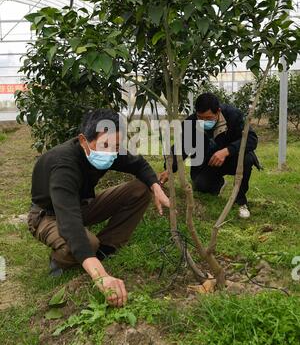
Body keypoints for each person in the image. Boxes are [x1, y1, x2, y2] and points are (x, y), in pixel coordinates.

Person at [28, 109, 170, 307]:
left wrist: (156, 187)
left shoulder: (109, 147)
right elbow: (69, 223)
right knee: (85, 242)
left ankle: (104, 249)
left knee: (139, 189)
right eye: (105, 145)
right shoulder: (63, 166)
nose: (111, 153)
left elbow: (138, 165)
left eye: (117, 147)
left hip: (82, 205)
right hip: (48, 215)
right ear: (84, 141)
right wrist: (101, 277)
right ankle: (61, 259)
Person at [159, 92, 260, 219]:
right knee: (201, 185)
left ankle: (240, 201)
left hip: (231, 158)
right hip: (208, 162)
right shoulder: (191, 123)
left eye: (208, 118)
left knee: (247, 158)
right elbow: (181, 147)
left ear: (218, 111)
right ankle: (218, 184)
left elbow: (251, 139)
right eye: (200, 117)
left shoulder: (233, 116)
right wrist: (169, 168)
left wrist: (226, 151)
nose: (203, 121)